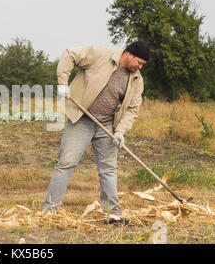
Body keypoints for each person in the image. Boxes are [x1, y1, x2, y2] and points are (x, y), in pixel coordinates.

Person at [43, 40, 150, 226]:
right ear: (128, 54)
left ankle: (113, 215)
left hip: (107, 127)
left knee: (108, 170)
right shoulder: (100, 55)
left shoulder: (136, 80)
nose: (139, 67)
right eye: (138, 62)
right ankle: (50, 211)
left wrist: (120, 131)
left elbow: (133, 109)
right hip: (81, 120)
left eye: (142, 65)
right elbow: (69, 54)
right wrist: (62, 83)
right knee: (66, 164)